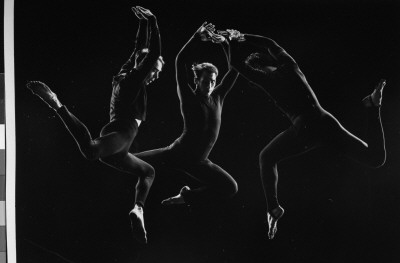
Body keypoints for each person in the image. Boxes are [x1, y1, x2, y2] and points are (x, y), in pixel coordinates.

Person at [214, 29, 386, 239]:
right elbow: (270, 42)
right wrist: (241, 37)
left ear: (259, 69)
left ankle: (273, 208)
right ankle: (372, 106)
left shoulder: (268, 80)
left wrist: (228, 42)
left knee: (266, 157)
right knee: (375, 158)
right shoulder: (290, 65)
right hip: (326, 121)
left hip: (306, 128)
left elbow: (235, 65)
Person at [26, 6, 164, 244]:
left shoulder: (126, 73)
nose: (156, 76)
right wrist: (153, 21)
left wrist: (142, 25)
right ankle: (56, 104)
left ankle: (138, 209)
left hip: (120, 146)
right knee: (90, 151)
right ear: (145, 67)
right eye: (155, 71)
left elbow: (139, 50)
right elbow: (149, 55)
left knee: (148, 171)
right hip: (120, 134)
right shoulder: (132, 81)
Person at [134, 22, 239, 208]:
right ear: (196, 80)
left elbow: (235, 68)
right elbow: (179, 60)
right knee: (127, 159)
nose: (210, 86)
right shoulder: (189, 97)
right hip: (176, 153)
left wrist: (225, 42)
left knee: (230, 188)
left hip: (199, 162)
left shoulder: (219, 97)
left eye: (213, 82)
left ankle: (187, 197)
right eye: (206, 82)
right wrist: (196, 36)